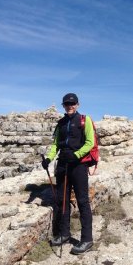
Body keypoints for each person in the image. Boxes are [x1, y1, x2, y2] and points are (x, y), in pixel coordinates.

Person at [41, 93, 95, 255]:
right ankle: (64, 234)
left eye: (72, 104)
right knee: (62, 201)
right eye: (66, 104)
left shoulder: (85, 120)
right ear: (63, 106)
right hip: (62, 166)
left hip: (78, 166)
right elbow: (56, 144)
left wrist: (76, 155)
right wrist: (49, 159)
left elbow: (90, 143)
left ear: (77, 105)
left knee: (82, 201)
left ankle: (87, 239)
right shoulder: (61, 123)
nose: (69, 106)